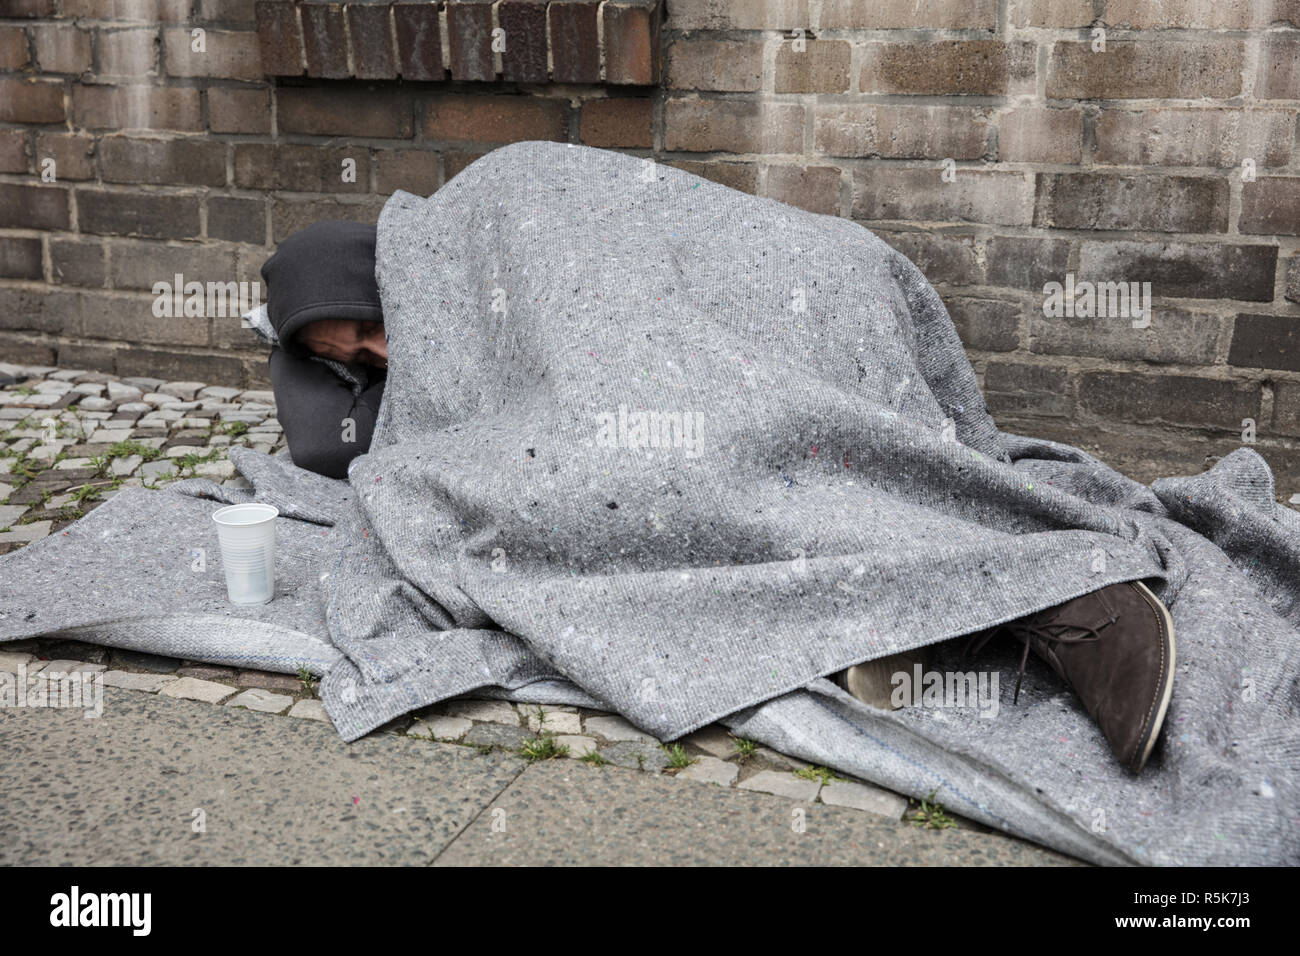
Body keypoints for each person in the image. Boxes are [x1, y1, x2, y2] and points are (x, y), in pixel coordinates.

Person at [260, 220, 1176, 777]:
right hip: (621, 379)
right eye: (352, 363)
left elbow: (597, 286)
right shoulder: (408, 342)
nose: (380, 360)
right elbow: (337, 438)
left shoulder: (484, 218)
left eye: (373, 331)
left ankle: (1061, 587)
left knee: (687, 451)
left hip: (741, 321)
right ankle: (916, 621)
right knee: (536, 499)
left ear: (380, 272)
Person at [260, 221, 389, 479]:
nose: (385, 354)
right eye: (362, 356)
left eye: (371, 327)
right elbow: (328, 447)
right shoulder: (305, 342)